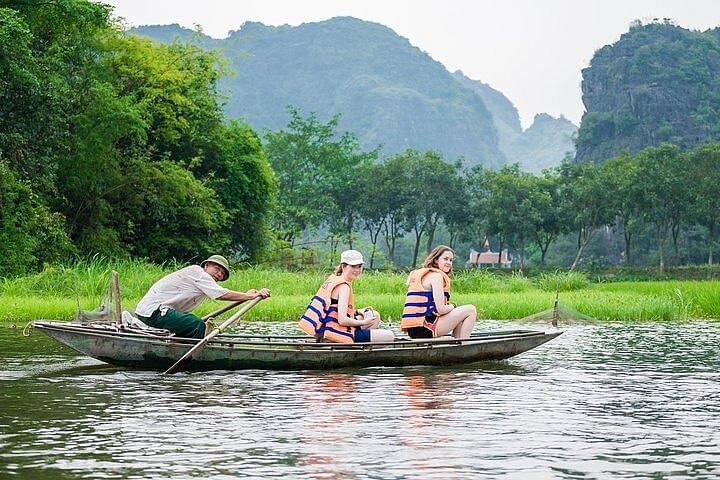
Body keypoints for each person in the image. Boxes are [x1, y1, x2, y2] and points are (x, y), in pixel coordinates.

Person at [134, 255, 271, 338]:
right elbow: (221, 294)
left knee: (196, 326)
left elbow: (220, 291)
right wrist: (251, 296)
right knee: (196, 325)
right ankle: (193, 357)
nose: (219, 274)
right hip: (153, 312)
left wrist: (247, 295)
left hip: (152, 312)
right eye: (217, 269)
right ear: (206, 266)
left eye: (222, 273)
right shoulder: (198, 273)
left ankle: (185, 348)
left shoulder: (204, 282)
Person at [299, 250, 394, 343]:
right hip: (335, 331)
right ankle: (346, 341)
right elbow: (342, 320)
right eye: (353, 266)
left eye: (359, 266)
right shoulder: (344, 287)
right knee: (389, 336)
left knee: (375, 316)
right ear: (344, 266)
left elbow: (334, 309)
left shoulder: (334, 278)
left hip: (324, 329)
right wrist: (364, 322)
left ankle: (356, 342)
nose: (357, 270)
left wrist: (357, 312)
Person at [401, 245, 476, 339]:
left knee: (461, 315)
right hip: (425, 328)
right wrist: (453, 306)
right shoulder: (436, 276)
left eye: (451, 260)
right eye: (445, 259)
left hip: (414, 330)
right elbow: (441, 309)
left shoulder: (425, 274)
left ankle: (457, 342)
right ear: (436, 260)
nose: (449, 262)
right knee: (470, 310)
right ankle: (464, 344)